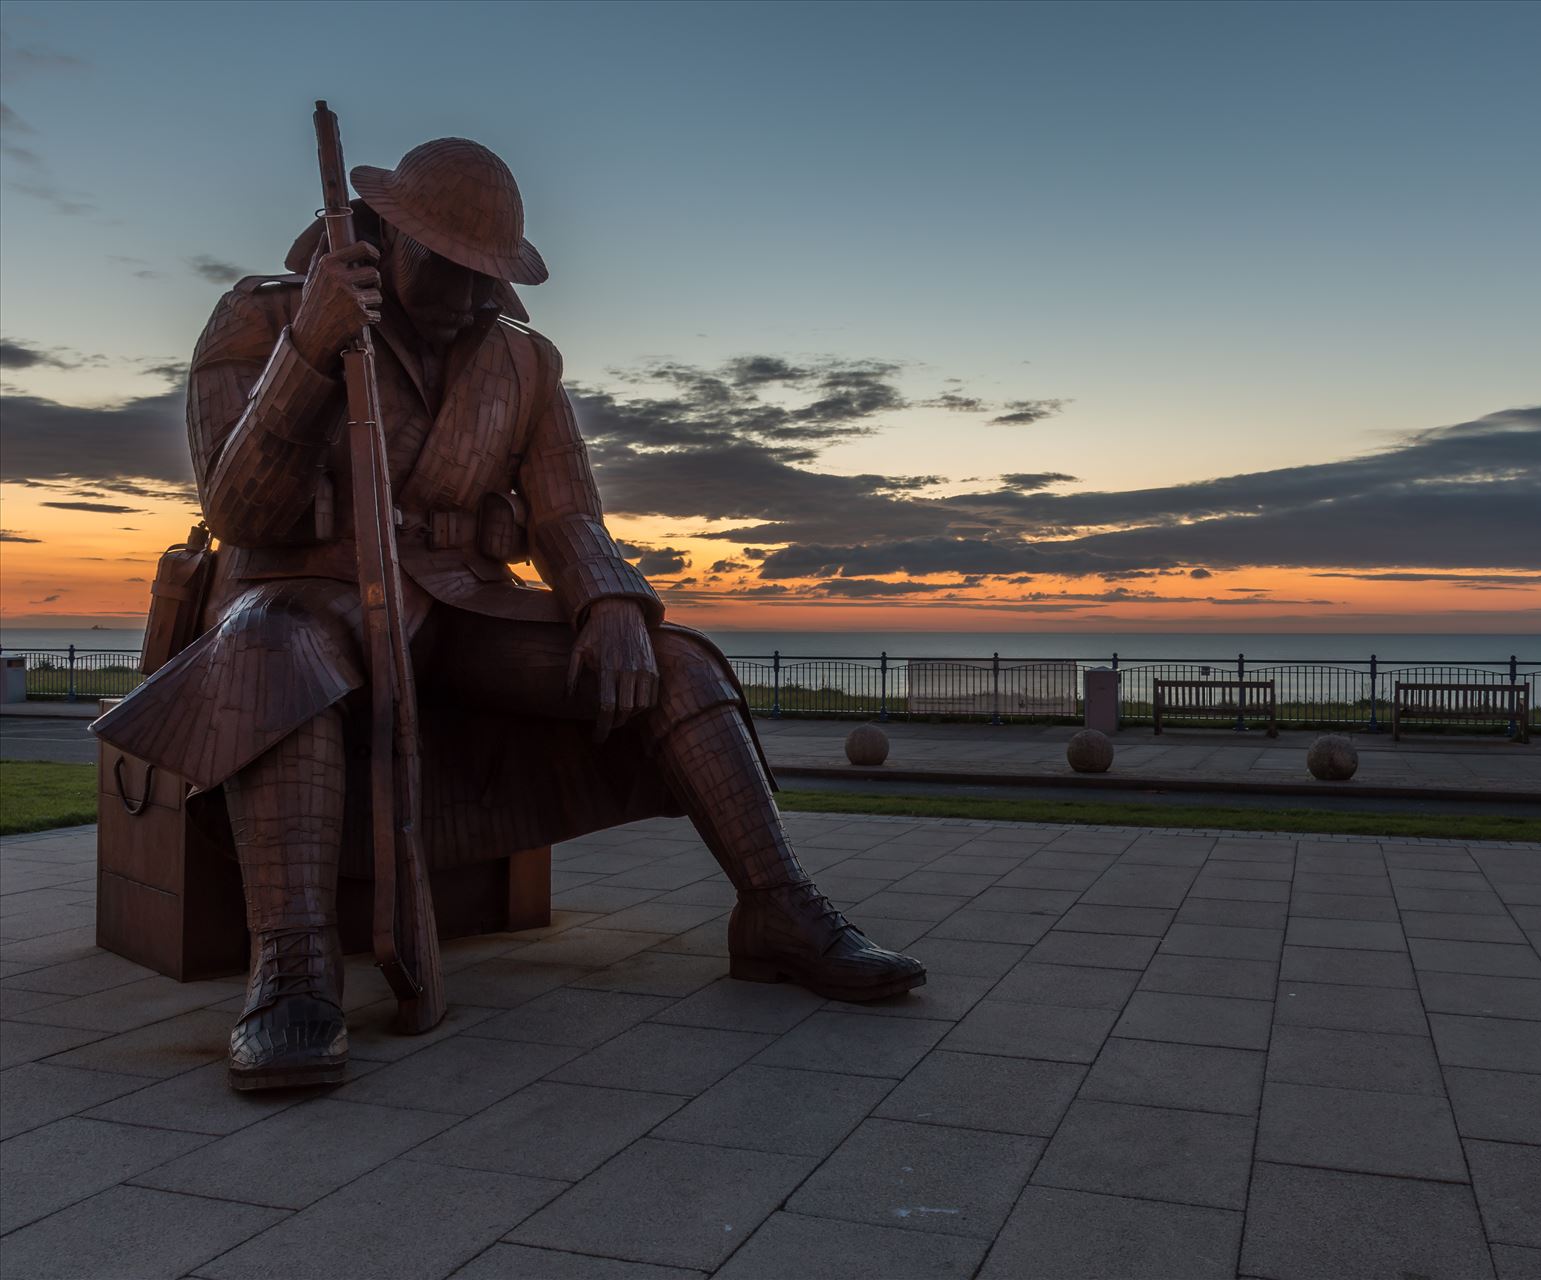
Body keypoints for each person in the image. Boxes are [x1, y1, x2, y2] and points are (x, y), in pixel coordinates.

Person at [93, 137, 924, 1091]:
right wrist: (309, 352)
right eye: (458, 269)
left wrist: (610, 600)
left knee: (679, 662)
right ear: (389, 237)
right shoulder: (264, 315)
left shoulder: (522, 362)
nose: (482, 298)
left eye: (494, 279)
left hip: (460, 602)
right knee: (278, 659)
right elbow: (240, 509)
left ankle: (778, 908)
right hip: (304, 598)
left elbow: (568, 511)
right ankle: (292, 966)